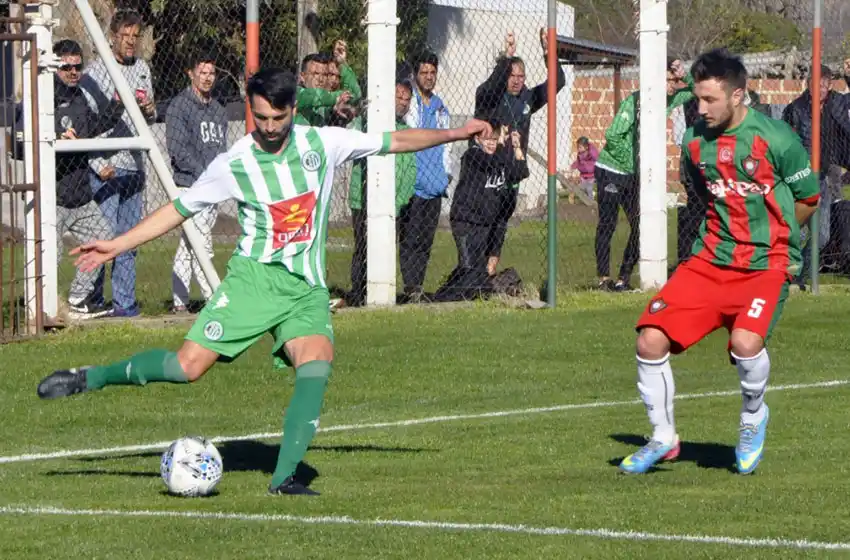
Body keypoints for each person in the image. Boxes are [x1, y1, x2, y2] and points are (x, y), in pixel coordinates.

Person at [35, 67, 491, 496]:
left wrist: (455, 132)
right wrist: (116, 244)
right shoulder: (234, 162)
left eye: (279, 117)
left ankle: (284, 479)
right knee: (185, 368)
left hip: (304, 290)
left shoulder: (323, 142)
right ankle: (92, 378)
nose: (269, 126)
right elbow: (179, 209)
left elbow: (395, 140)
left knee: (316, 363)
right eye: (260, 117)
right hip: (252, 283)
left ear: (294, 108)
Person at [620, 49, 819, 475]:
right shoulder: (694, 142)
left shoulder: (776, 138)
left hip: (765, 265)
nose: (701, 107)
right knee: (649, 339)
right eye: (698, 98)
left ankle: (752, 419)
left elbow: (809, 198)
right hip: (709, 261)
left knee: (745, 346)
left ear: (739, 95)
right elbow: (703, 193)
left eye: (711, 99)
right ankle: (662, 437)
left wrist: (777, 239)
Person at [80, 9, 157, 317]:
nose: (130, 42)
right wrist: (98, 163)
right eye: (124, 36)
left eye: (134, 37)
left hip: (133, 165)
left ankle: (124, 303)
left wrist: (149, 109)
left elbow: (148, 116)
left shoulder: (142, 69)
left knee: (129, 239)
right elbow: (86, 124)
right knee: (102, 237)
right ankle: (92, 300)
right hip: (106, 166)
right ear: (112, 36)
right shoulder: (96, 71)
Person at [39, 39, 124, 319]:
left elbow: (94, 126)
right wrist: (55, 136)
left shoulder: (78, 99)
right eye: (67, 66)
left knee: (103, 239)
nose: (73, 72)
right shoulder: (43, 98)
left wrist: (118, 105)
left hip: (81, 196)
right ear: (55, 66)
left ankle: (77, 299)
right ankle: (42, 310)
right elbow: (21, 144)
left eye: (78, 66)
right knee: (49, 256)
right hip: (55, 196)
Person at [594, 59, 693, 292]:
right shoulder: (635, 101)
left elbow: (695, 90)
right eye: (670, 80)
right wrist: (634, 159)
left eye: (675, 80)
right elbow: (613, 135)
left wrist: (684, 74)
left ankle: (623, 278)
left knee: (641, 225)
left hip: (634, 174)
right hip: (613, 170)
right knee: (607, 224)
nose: (674, 85)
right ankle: (602, 279)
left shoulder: (669, 100)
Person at [434, 123, 528, 302]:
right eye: (488, 140)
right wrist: (501, 144)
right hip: (466, 220)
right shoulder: (473, 155)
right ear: (477, 139)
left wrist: (516, 147)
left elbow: (521, 172)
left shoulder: (500, 159)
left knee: (475, 268)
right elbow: (491, 162)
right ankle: (446, 298)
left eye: (495, 139)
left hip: (485, 223)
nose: (492, 143)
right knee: (470, 267)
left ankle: (448, 295)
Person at [167, 52, 228, 313]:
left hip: (212, 187)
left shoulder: (218, 110)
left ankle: (179, 303)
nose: (207, 78)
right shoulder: (179, 107)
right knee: (201, 244)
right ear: (191, 73)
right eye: (202, 72)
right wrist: (206, 174)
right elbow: (178, 150)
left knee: (188, 245)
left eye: (211, 73)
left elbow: (221, 149)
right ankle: (213, 298)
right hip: (189, 185)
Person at [347, 79, 417, 307]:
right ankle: (358, 293)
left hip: (394, 203)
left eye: (407, 99)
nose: (403, 103)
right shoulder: (367, 123)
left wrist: (401, 199)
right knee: (363, 247)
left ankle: (383, 290)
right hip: (362, 200)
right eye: (399, 97)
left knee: (386, 247)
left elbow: (409, 169)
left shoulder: (406, 131)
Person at [782, 64, 850, 289]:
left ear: (829, 85)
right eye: (814, 85)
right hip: (799, 177)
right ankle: (775, 269)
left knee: (822, 237)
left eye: (823, 86)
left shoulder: (838, 104)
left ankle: (798, 275)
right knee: (790, 230)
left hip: (823, 177)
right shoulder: (796, 109)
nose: (818, 90)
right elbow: (785, 141)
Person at [400, 51, 452, 303]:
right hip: (413, 185)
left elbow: (447, 146)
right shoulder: (410, 104)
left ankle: (418, 287)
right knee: (409, 240)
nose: (429, 77)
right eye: (424, 73)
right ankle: (410, 287)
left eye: (433, 73)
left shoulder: (440, 106)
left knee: (425, 242)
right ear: (415, 75)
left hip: (434, 185)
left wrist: (446, 175)